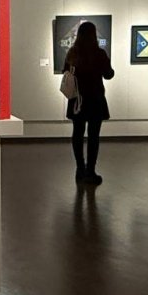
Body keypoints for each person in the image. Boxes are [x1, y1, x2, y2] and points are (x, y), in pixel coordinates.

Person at [64, 21, 114, 185]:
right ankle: (90, 171)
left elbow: (65, 72)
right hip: (95, 99)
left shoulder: (73, 53)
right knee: (93, 136)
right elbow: (108, 74)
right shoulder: (99, 53)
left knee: (77, 133)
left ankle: (80, 169)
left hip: (77, 99)